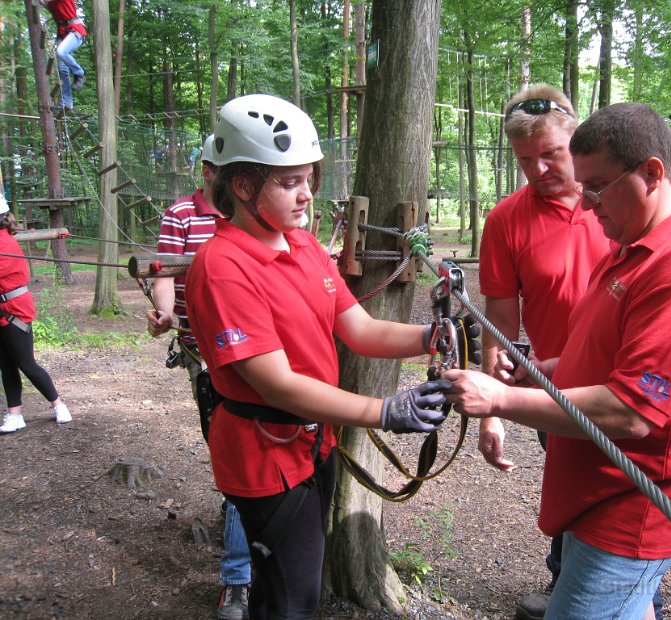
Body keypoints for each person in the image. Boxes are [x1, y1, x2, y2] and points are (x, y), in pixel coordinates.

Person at [443, 102, 671, 620]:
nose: (587, 205)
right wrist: (545, 371)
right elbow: (609, 353)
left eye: (597, 188)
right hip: (599, 484)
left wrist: (499, 397)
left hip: (633, 502)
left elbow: (632, 412)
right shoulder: (637, 245)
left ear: (652, 173)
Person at [184, 94, 464, 620]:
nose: (307, 195)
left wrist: (430, 335)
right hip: (264, 457)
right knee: (295, 601)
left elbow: (359, 329)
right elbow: (277, 385)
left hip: (313, 444)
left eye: (309, 179)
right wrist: (383, 411)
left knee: (286, 591)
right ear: (243, 186)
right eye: (289, 182)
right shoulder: (223, 266)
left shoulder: (303, 246)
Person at [477, 84, 609, 620]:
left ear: (577, 138)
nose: (539, 169)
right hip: (554, 383)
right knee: (569, 486)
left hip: (625, 378)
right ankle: (566, 585)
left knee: (620, 495)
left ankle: (625, 595)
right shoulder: (507, 220)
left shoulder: (618, 201)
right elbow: (500, 323)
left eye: (551, 154)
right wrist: (495, 406)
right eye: (525, 160)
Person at [146, 135, 253, 620]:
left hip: (254, 341)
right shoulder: (181, 215)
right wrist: (165, 313)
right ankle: (238, 568)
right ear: (207, 170)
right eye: (219, 168)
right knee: (229, 443)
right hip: (201, 345)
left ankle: (242, 564)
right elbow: (166, 269)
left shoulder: (251, 210)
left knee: (245, 443)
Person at [0, 194, 71, 433]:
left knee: (26, 363)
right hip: (4, 311)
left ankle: (59, 405)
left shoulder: (4, 244)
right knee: (6, 364)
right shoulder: (5, 238)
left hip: (13, 311)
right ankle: (15, 414)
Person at [38, 0, 86, 113]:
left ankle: (80, 74)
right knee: (62, 69)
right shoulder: (49, 3)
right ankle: (67, 102)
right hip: (63, 34)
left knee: (61, 52)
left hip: (76, 31)